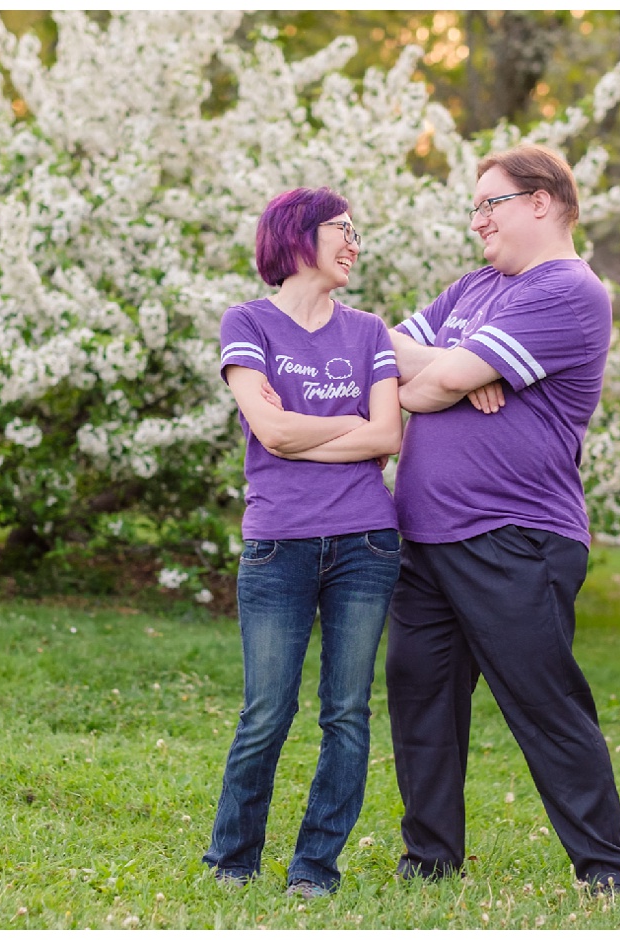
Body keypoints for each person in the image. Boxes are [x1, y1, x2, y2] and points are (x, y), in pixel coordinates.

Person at [385, 143, 620, 893]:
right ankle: (429, 861)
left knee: (543, 702)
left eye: (487, 204)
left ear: (542, 201)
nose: (476, 222)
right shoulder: (473, 289)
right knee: (420, 696)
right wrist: (457, 371)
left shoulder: (569, 289)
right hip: (427, 535)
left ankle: (608, 869)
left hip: (515, 536)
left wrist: (449, 374)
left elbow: (433, 379)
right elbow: (379, 352)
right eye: (473, 208)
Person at [203, 187, 403, 899]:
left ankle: (315, 869)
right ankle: (233, 859)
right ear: (298, 237)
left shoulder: (371, 331)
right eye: (342, 231)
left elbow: (389, 435)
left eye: (356, 233)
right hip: (278, 545)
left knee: (346, 712)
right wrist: (344, 427)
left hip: (366, 545)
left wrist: (299, 430)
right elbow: (272, 432)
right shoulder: (247, 322)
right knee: (267, 710)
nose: (354, 244)